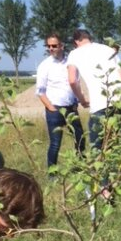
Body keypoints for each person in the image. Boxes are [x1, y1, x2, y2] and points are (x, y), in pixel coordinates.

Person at [67, 29, 121, 149]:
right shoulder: (108, 49)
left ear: (76, 42)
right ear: (90, 38)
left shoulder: (74, 54)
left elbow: (72, 80)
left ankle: (100, 167)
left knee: (97, 146)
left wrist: (82, 100)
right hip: (120, 101)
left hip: (100, 104)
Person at [35, 32, 85, 167]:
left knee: (80, 139)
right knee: (55, 143)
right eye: (48, 46)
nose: (51, 48)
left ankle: (81, 168)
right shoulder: (44, 66)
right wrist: (51, 108)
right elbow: (40, 91)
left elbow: (76, 83)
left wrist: (76, 103)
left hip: (71, 108)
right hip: (54, 110)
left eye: (54, 46)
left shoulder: (71, 62)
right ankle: (52, 173)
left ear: (61, 46)